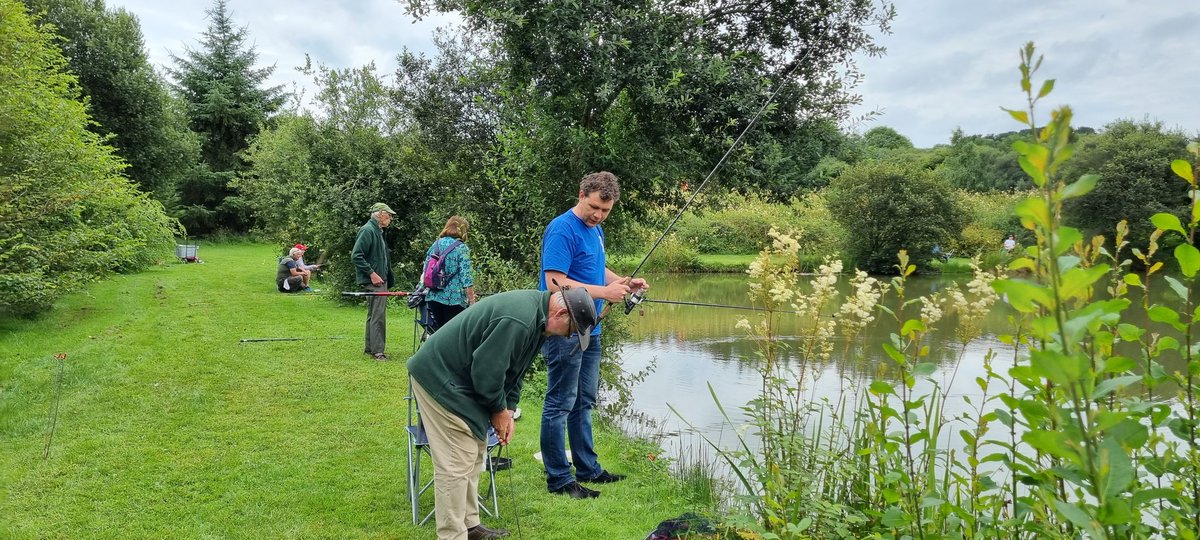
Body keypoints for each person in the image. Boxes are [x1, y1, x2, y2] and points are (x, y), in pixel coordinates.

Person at [408, 288, 598, 540]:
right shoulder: (518, 320)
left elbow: (515, 370)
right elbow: (486, 373)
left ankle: (471, 525)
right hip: (439, 377)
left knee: (476, 450)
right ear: (562, 313)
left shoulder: (540, 322)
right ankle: (452, 535)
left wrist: (508, 409)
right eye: (571, 330)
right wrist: (497, 411)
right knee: (456, 460)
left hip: (462, 379)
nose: (568, 337)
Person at [538, 171, 649, 499]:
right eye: (594, 207)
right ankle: (559, 479)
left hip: (591, 327)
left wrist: (625, 282)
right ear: (581, 193)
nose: (599, 215)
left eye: (606, 210)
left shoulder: (594, 229)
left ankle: (588, 468)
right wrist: (605, 292)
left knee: (584, 402)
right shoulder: (561, 229)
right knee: (559, 403)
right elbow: (555, 282)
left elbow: (594, 268)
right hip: (564, 326)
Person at [351, 202, 396, 361]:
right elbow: (356, 256)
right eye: (389, 215)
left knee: (373, 314)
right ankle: (378, 352)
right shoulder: (368, 230)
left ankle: (370, 348)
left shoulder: (378, 231)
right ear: (380, 214)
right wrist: (372, 274)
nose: (390, 218)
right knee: (378, 315)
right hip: (375, 281)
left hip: (380, 279)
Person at [419, 216, 477, 330]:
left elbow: (426, 270)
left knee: (441, 331)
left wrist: (421, 289)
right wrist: (472, 300)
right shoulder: (462, 248)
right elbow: (466, 277)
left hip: (434, 297)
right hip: (454, 299)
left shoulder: (435, 244)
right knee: (454, 333)